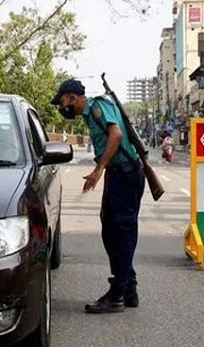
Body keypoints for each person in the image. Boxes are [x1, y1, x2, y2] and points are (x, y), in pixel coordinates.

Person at [50, 78, 146, 314]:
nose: (63, 108)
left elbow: (115, 136)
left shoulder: (96, 107)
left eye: (63, 103)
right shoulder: (92, 112)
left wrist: (98, 169)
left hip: (125, 174)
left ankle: (117, 294)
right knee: (113, 230)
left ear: (72, 98)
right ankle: (128, 288)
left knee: (119, 233)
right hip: (120, 174)